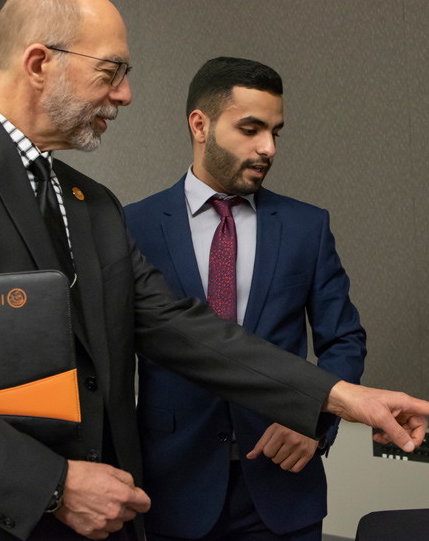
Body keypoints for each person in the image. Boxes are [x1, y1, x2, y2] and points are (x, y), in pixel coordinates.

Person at [0, 0, 429, 541]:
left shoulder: (92, 204)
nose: (126, 95)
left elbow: (182, 329)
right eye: (111, 73)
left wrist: (341, 398)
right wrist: (53, 485)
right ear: (39, 64)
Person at [125, 57, 366, 541]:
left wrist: (313, 419)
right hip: (171, 491)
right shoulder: (132, 227)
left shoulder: (306, 226)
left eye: (276, 131)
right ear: (200, 124)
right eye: (251, 129)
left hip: (281, 492)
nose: (268, 148)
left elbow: (344, 340)